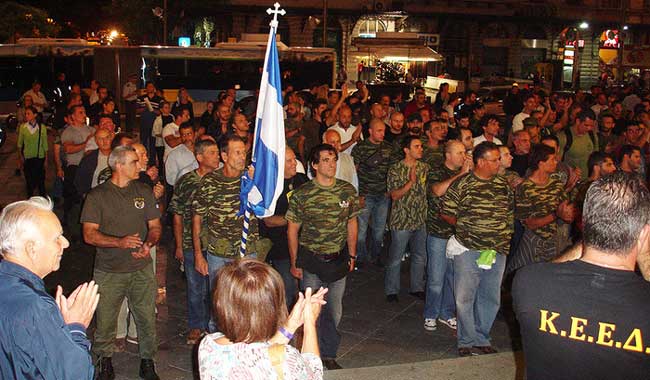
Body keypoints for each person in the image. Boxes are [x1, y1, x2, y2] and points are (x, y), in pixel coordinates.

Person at [513, 172, 650, 379]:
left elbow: (548, 273)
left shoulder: (528, 282)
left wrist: (592, 235)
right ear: (644, 234)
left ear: (583, 222)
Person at [81, 146, 162, 379]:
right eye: (134, 162)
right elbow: (89, 234)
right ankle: (104, 361)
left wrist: (148, 244)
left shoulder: (143, 191)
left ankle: (148, 360)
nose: (140, 166)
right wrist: (120, 242)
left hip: (141, 268)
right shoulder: (97, 196)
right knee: (105, 319)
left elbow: (155, 227)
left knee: (146, 316)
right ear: (119, 165)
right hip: (109, 270)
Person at [0, 197, 99, 379]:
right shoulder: (35, 307)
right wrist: (75, 327)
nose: (66, 243)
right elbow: (75, 375)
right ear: (31, 249)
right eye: (57, 238)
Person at [286, 144, 360, 370]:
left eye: (334, 159)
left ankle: (328, 353)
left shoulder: (346, 191)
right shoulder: (303, 193)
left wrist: (353, 254)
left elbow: (352, 223)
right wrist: (294, 262)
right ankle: (310, 352)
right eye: (326, 160)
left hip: (338, 259)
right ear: (315, 165)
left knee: (334, 309)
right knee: (310, 310)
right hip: (311, 260)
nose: (331, 164)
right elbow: (292, 230)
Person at [440, 141, 514, 357]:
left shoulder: (503, 185)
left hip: (496, 250)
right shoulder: (463, 184)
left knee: (490, 297)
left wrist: (503, 236)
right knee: (464, 297)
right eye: (495, 160)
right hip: (469, 249)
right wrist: (468, 229)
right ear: (481, 162)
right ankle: (465, 340)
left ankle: (482, 338)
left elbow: (509, 214)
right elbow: (446, 212)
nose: (498, 163)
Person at [198, 259, 327, 379]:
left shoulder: (208, 345)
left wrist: (291, 326)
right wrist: (310, 321)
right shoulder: (286, 358)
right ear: (273, 308)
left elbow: (257, 353)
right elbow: (314, 373)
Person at [170, 139, 221, 344]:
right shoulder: (186, 181)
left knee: (217, 287)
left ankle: (216, 326)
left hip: (218, 243)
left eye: (218, 152)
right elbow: (177, 215)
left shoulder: (223, 179)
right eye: (212, 153)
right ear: (199, 157)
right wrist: (179, 245)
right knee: (195, 287)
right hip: (193, 243)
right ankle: (196, 325)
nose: (217, 156)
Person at [423, 140, 471, 331]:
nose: (463, 156)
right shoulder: (436, 170)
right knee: (436, 278)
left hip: (458, 234)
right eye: (459, 153)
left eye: (464, 152)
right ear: (448, 155)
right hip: (438, 232)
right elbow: (436, 191)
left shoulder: (469, 174)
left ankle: (446, 312)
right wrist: (461, 175)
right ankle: (431, 313)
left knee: (454, 277)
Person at [508, 144, 575, 273]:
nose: (556, 162)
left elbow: (566, 208)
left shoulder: (556, 184)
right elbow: (529, 223)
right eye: (552, 160)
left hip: (556, 239)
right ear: (541, 163)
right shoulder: (526, 188)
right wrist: (555, 215)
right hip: (534, 241)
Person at [260, 147, 309, 308]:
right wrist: (296, 219)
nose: (294, 163)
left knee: (306, 289)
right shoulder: (271, 187)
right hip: (281, 247)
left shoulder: (302, 180)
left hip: (304, 245)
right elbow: (268, 220)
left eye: (294, 159)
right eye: (289, 160)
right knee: (288, 290)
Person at [384, 135, 429, 303]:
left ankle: (417, 287)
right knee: (396, 256)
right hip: (401, 219)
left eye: (421, 146)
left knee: (420, 256)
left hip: (420, 218)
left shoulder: (424, 167)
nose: (421, 149)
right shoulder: (395, 169)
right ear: (406, 150)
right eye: (416, 146)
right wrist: (410, 182)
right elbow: (394, 195)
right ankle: (391, 290)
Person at [351, 118, 395, 266]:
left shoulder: (389, 148)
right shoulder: (360, 148)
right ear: (370, 131)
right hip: (366, 194)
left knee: (379, 231)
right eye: (379, 131)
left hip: (383, 195)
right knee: (361, 232)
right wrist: (358, 194)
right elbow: (354, 172)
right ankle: (362, 258)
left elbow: (393, 171)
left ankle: (375, 256)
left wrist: (390, 189)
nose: (383, 134)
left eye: (384, 131)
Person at [17, 106, 48, 197]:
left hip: (39, 157)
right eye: (25, 114)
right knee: (29, 181)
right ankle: (30, 198)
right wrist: (20, 156)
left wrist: (46, 159)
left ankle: (42, 199)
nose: (26, 115)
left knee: (40, 181)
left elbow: (45, 144)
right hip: (28, 157)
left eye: (28, 113)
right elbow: (20, 144)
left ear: (35, 115)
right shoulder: (23, 127)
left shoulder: (41, 127)